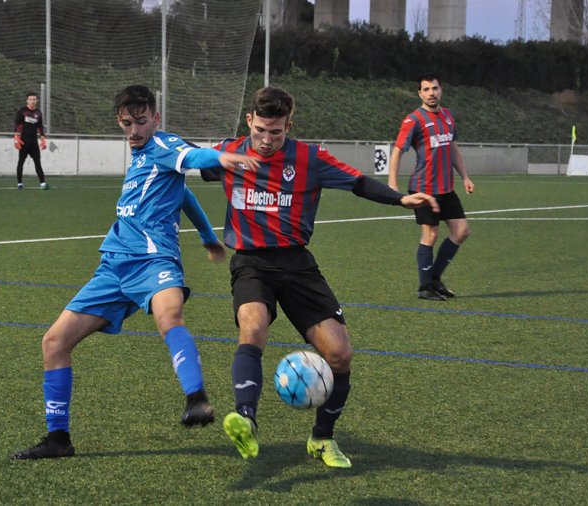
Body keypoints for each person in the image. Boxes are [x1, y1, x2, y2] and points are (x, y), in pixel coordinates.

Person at [11, 85, 259, 460]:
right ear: (120, 121)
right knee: (53, 343)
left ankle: (197, 399)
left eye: (141, 122)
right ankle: (58, 439)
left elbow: (193, 155)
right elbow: (186, 196)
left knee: (170, 315)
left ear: (155, 118)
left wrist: (221, 157)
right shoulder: (142, 157)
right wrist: (208, 236)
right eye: (127, 123)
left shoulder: (163, 145)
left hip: (154, 260)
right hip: (113, 266)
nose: (134, 131)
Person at [202, 86, 439, 468]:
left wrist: (401, 198)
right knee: (253, 327)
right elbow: (180, 161)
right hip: (251, 262)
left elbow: (358, 182)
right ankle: (245, 418)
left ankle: (322, 439)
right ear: (249, 121)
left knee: (340, 354)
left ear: (289, 126)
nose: (265, 140)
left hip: (298, 265)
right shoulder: (226, 153)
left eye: (275, 132)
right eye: (260, 129)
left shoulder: (309, 158)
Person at [388, 73, 475, 301]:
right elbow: (397, 151)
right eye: (426, 90)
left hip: (446, 188)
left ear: (441, 90)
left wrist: (465, 177)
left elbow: (453, 148)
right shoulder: (413, 120)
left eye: (434, 88)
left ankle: (434, 279)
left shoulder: (447, 116)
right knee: (430, 234)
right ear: (420, 94)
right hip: (423, 188)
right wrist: (392, 184)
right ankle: (425, 287)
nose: (431, 93)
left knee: (461, 231)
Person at [14, 91, 49, 190]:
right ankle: (19, 183)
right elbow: (17, 124)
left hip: (34, 143)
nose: (32, 101)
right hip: (24, 142)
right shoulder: (22, 111)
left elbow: (40, 126)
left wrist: (43, 138)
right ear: (27, 100)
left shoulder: (38, 112)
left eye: (34, 99)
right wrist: (16, 137)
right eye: (30, 99)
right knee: (21, 162)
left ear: (37, 100)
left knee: (38, 163)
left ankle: (43, 183)